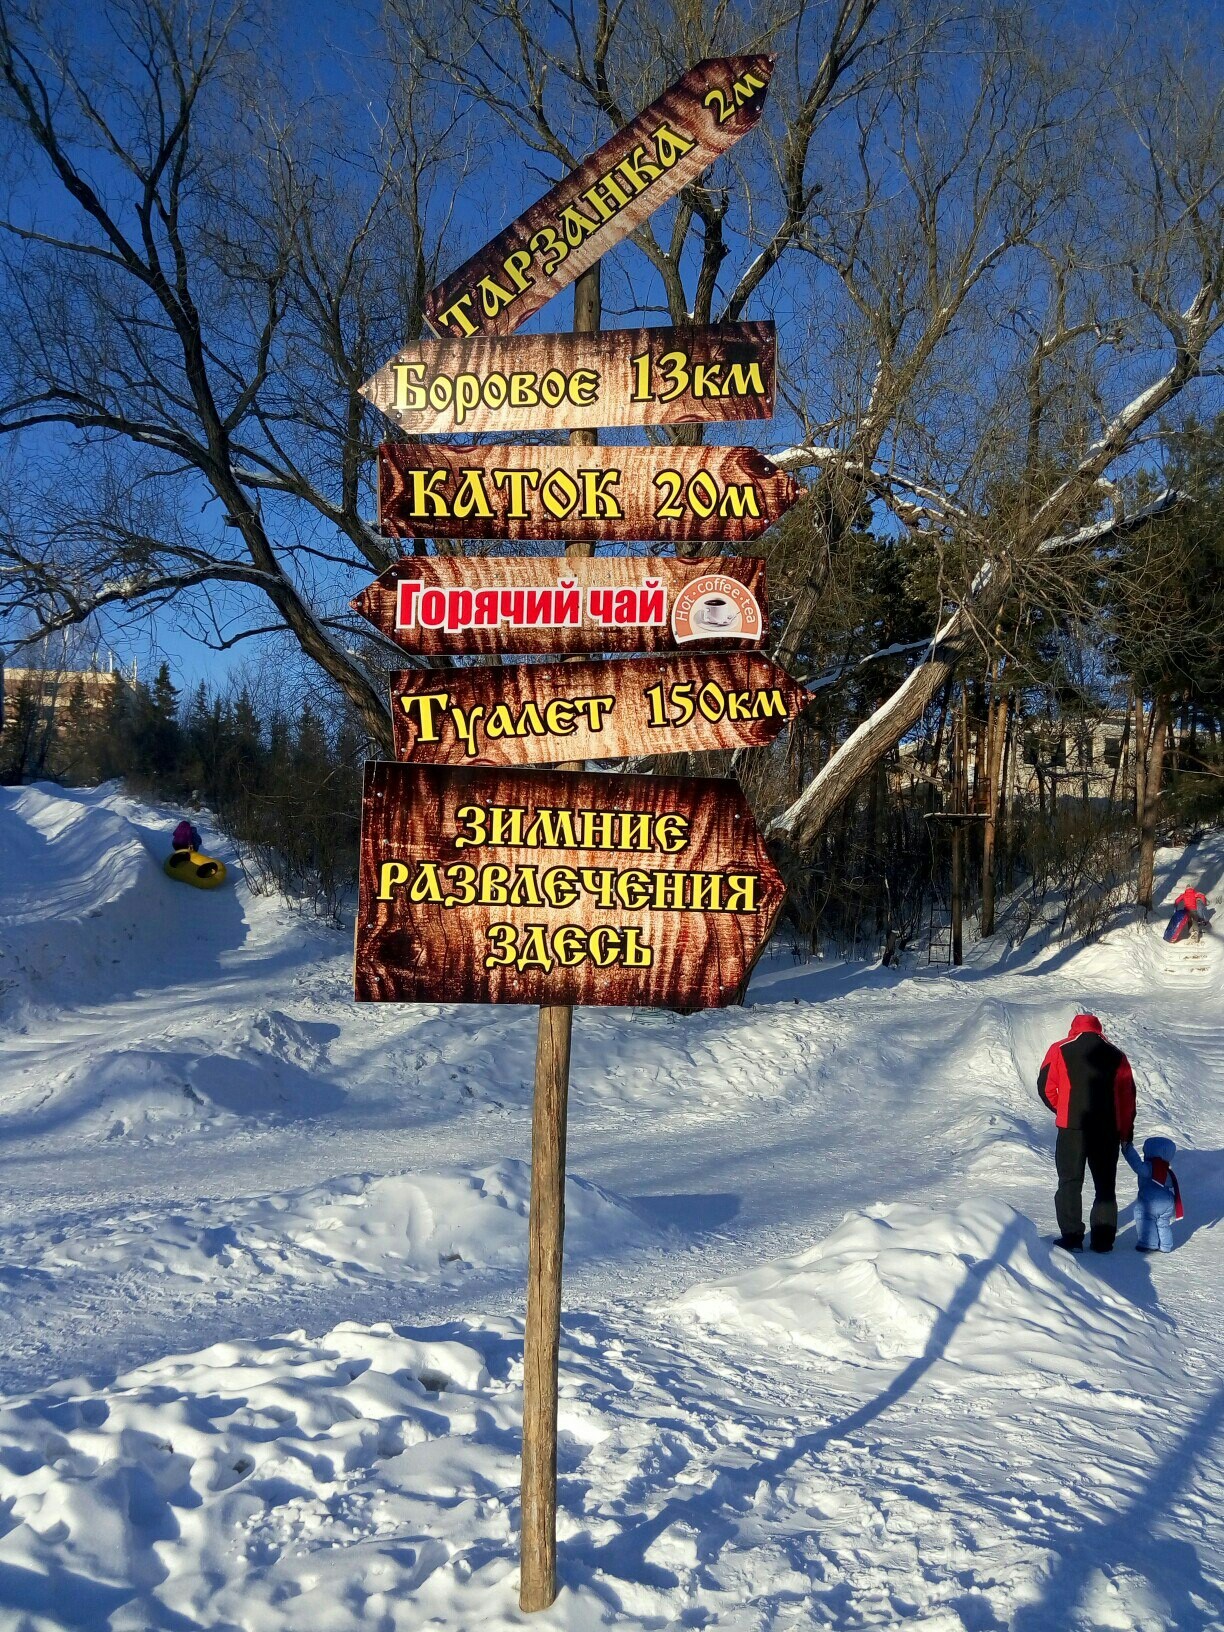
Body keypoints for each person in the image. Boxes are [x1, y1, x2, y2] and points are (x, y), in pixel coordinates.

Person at [1037, 1012, 1136, 1253]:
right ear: (1099, 1028)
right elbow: (1127, 1098)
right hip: (1107, 1129)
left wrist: (1062, 1110)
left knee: (1070, 1181)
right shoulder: (1117, 1054)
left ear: (1074, 1028)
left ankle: (1072, 1238)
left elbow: (1045, 1087)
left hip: (1072, 1128)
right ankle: (1103, 1241)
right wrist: (1125, 1133)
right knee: (1105, 1184)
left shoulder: (1059, 1048)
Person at [1122, 1136, 1184, 1253]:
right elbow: (1171, 1183)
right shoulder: (1166, 1170)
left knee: (1144, 1217)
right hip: (1168, 1201)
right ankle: (1166, 1245)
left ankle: (1149, 1243)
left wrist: (1128, 1150)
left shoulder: (1150, 1167)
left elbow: (1138, 1166)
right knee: (1163, 1223)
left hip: (1152, 1200)